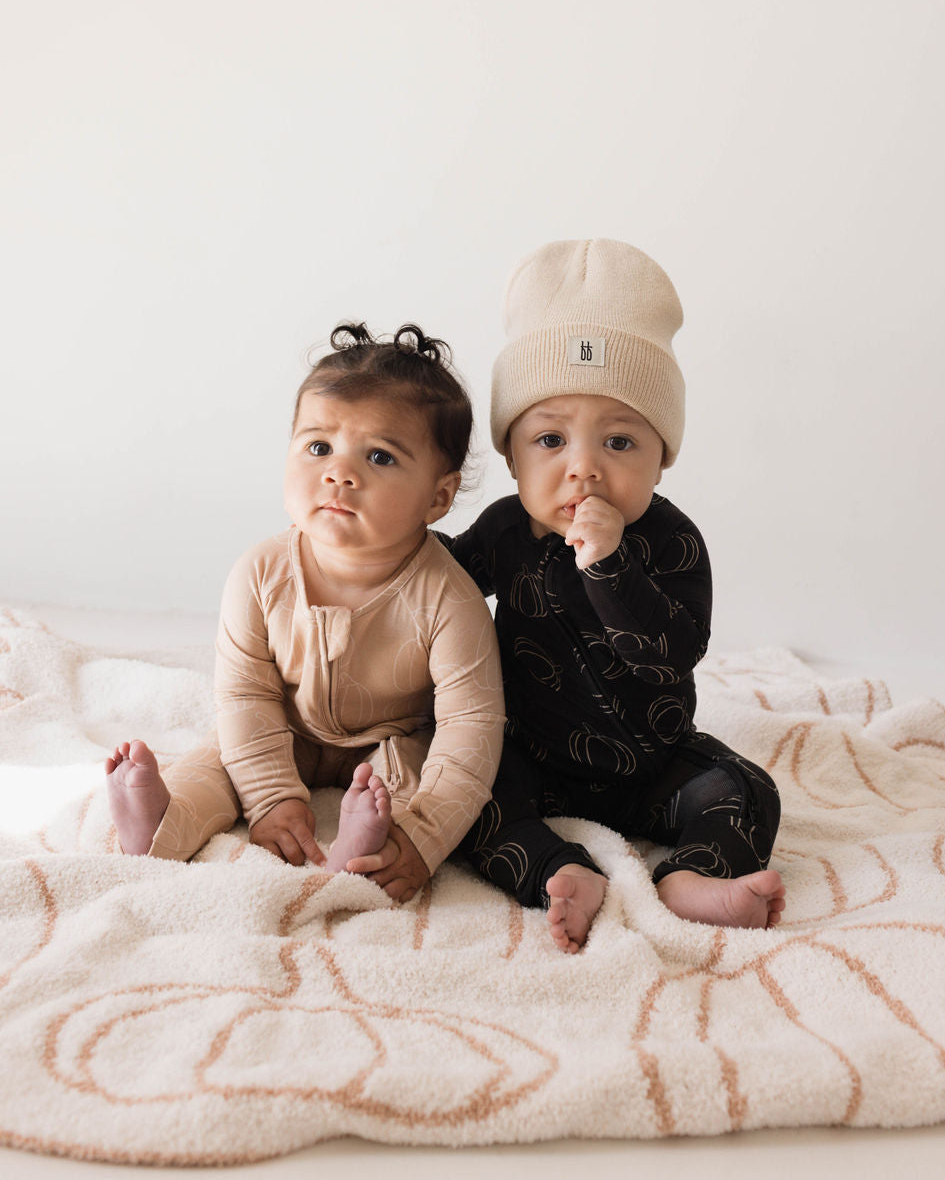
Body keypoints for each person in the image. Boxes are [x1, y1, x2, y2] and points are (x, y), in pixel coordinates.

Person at [442, 240, 785, 951]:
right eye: (550, 439)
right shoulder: (506, 528)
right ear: (511, 454)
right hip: (529, 754)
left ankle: (694, 875)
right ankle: (559, 870)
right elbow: (442, 585)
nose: (584, 469)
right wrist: (381, 547)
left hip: (652, 763)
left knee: (746, 788)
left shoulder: (670, 541)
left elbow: (673, 652)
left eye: (621, 441)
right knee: (462, 791)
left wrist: (610, 566)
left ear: (664, 455)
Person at [105, 324, 505, 903]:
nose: (340, 472)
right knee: (218, 760)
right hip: (283, 728)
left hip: (391, 740)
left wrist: (426, 837)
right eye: (319, 447)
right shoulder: (261, 572)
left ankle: (371, 845)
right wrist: (271, 796)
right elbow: (245, 695)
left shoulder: (449, 599)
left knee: (420, 778)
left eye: (380, 456)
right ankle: (161, 821)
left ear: (438, 498)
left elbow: (472, 729)